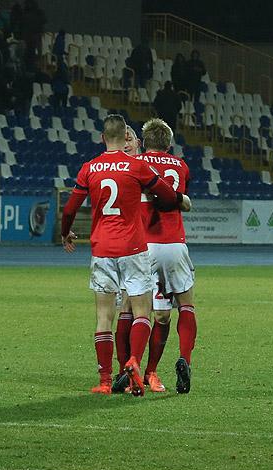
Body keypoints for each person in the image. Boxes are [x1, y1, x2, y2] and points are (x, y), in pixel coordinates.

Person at [60, 114, 190, 396]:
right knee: (143, 311)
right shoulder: (136, 167)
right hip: (133, 248)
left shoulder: (90, 168)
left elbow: (70, 208)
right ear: (126, 137)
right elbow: (166, 195)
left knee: (105, 316)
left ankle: (106, 381)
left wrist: (65, 233)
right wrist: (180, 199)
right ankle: (134, 362)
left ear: (102, 137)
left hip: (102, 250)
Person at [113, 118, 196, 394]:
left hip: (140, 245)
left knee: (132, 310)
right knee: (178, 309)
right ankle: (175, 362)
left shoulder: (134, 165)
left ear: (143, 142)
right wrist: (181, 199)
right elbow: (180, 197)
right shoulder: (180, 165)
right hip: (174, 244)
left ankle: (130, 366)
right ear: (169, 143)